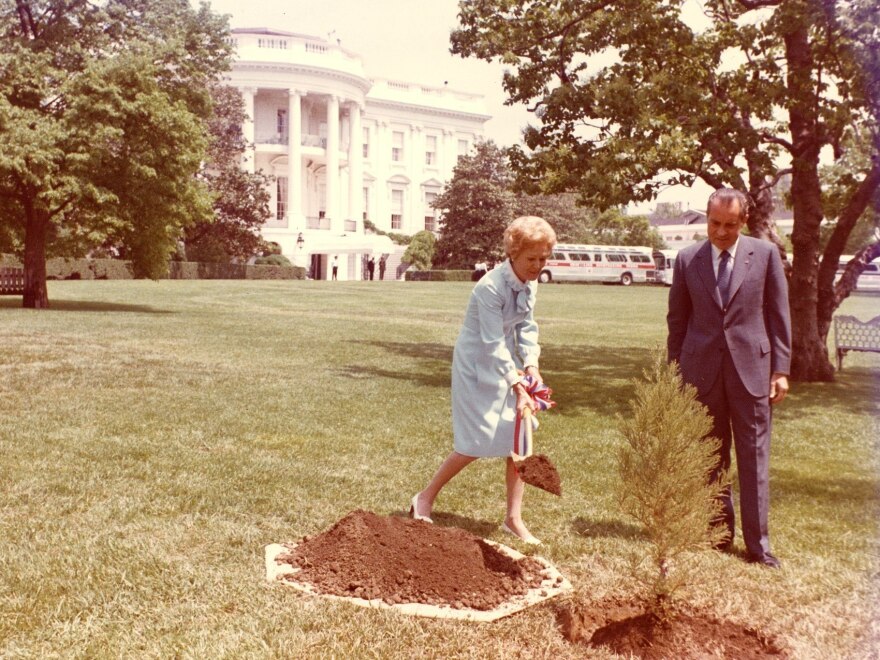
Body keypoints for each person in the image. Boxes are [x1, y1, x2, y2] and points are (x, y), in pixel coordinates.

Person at [410, 216, 557, 545]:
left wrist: (531, 367)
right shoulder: (490, 286)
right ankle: (424, 497)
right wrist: (519, 387)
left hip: (508, 362)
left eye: (543, 259)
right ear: (513, 254)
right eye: (531, 259)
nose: (537, 266)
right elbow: (492, 343)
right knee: (474, 442)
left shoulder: (531, 283)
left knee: (520, 437)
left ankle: (513, 518)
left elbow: (525, 328)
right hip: (477, 364)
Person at [667, 188, 791, 568]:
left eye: (730, 225)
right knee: (710, 459)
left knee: (753, 459)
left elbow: (778, 314)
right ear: (707, 218)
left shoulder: (766, 254)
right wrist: (676, 372)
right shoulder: (688, 259)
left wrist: (781, 369)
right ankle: (717, 535)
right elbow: (677, 321)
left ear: (744, 222)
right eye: (715, 223)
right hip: (701, 373)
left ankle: (759, 546)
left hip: (752, 373)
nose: (721, 232)